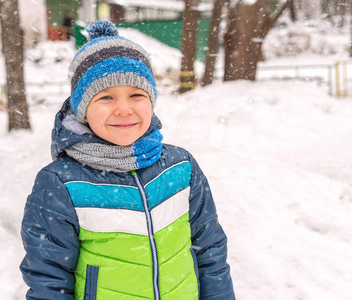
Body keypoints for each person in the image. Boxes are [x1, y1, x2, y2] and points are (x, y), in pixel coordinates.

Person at [20, 21, 235, 300]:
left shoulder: (181, 167)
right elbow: (48, 278)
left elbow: (210, 250)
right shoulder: (61, 182)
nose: (124, 109)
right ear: (83, 110)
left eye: (136, 95)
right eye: (106, 97)